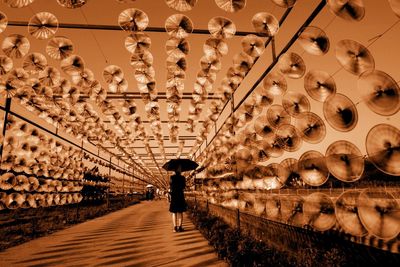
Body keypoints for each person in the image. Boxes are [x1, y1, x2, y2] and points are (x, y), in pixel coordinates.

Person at [169, 165, 187, 232]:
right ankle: (180, 227)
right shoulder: (182, 178)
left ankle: (175, 227)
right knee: (180, 211)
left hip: (174, 195)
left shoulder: (172, 177)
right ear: (179, 170)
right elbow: (184, 187)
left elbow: (170, 186)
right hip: (180, 195)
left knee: (174, 212)